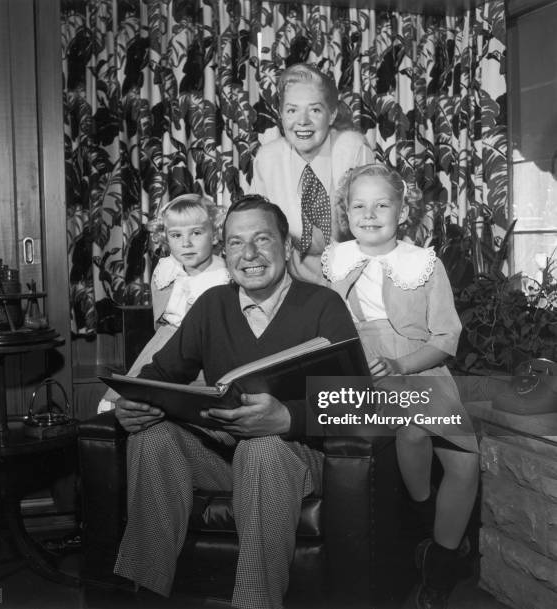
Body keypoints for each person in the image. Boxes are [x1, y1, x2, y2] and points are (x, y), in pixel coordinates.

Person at [113, 195, 358, 609]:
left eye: (262, 240)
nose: (249, 255)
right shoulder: (212, 305)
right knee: (151, 439)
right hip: (225, 456)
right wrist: (132, 403)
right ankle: (145, 594)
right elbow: (160, 375)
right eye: (235, 242)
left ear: (285, 244)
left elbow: (359, 403)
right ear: (224, 250)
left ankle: (255, 603)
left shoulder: (323, 305)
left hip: (296, 457)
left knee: (261, 449)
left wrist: (286, 417)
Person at [321, 164, 479, 609]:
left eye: (382, 204)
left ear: (402, 209)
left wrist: (399, 364)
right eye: (358, 205)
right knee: (411, 433)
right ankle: (427, 526)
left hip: (418, 366)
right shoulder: (334, 261)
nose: (369, 214)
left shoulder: (423, 263)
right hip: (359, 372)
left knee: (466, 464)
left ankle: (440, 561)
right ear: (345, 212)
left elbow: (446, 338)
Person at [97, 193, 230, 413]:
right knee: (158, 351)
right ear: (165, 239)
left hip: (206, 348)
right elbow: (159, 321)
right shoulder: (167, 271)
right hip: (166, 344)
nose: (186, 243)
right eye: (176, 235)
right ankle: (126, 398)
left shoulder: (223, 276)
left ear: (215, 235)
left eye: (196, 233)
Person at [251, 63, 374, 285]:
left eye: (315, 110)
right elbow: (260, 233)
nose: (302, 121)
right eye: (292, 110)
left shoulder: (352, 148)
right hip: (289, 283)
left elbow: (371, 227)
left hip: (355, 277)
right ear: (280, 115)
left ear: (332, 114)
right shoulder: (268, 159)